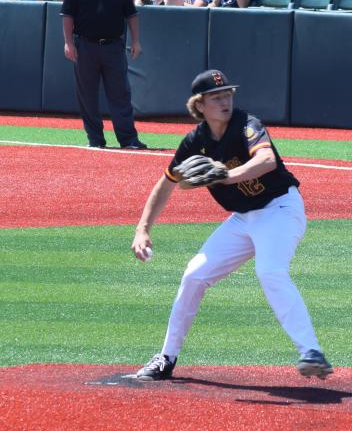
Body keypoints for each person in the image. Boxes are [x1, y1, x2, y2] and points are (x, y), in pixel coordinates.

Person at [131, 69, 332, 381]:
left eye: (227, 94)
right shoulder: (195, 141)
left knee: (269, 271)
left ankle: (311, 352)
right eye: (216, 97)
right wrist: (142, 228)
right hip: (242, 219)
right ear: (199, 105)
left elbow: (266, 161)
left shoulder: (246, 124)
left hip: (279, 208)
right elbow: (168, 182)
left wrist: (226, 175)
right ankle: (166, 358)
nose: (225, 101)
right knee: (194, 275)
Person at [60, 0, 147, 150]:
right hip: (85, 46)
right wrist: (68, 42)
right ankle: (95, 140)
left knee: (120, 94)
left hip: (113, 46)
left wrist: (135, 40)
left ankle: (128, 140)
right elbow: (67, 16)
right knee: (87, 95)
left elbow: (131, 14)